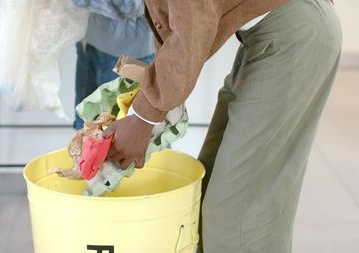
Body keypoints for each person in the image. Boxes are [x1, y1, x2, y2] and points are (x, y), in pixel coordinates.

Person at [103, 0, 342, 252]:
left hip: (294, 35)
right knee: (206, 191)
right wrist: (152, 99)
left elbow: (191, 34)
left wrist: (144, 117)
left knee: (235, 215)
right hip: (268, 36)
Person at [72, 0, 155, 129]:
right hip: (91, 41)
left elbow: (130, 6)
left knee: (131, 134)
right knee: (85, 128)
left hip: (128, 54)